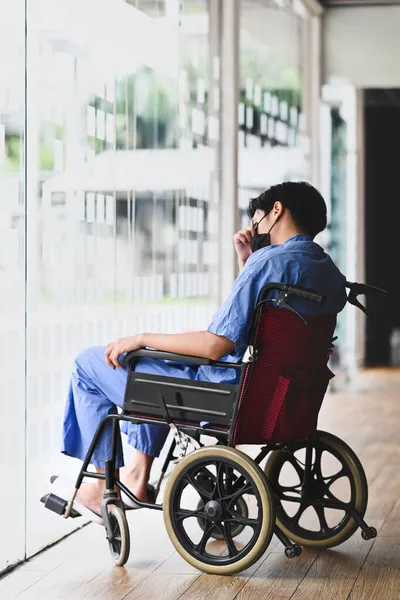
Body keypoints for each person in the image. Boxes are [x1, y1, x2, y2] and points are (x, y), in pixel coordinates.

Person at [61, 181, 347, 516]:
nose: (255, 229)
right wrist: (247, 260)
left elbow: (216, 345)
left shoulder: (269, 262)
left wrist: (142, 337)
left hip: (222, 393)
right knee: (152, 367)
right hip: (276, 395)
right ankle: (137, 475)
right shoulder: (327, 271)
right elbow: (265, 327)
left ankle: (99, 487)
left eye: (256, 221)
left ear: (276, 210)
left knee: (93, 363)